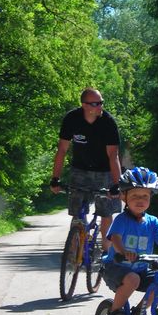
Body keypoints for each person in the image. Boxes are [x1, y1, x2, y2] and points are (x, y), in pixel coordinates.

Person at [102, 166, 158, 315]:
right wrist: (123, 252)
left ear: (150, 198)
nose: (140, 200)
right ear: (124, 197)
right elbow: (116, 239)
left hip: (140, 269)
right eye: (134, 196)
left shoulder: (152, 221)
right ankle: (115, 312)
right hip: (115, 266)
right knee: (133, 279)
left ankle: (139, 311)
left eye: (145, 196)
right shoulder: (121, 219)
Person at [50, 87, 122, 251]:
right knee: (77, 213)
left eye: (101, 102)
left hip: (104, 171)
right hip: (80, 170)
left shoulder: (108, 122)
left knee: (105, 212)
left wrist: (116, 184)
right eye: (96, 103)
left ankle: (106, 251)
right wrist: (55, 178)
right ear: (84, 105)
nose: (100, 107)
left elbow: (113, 155)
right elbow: (62, 150)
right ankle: (76, 251)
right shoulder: (71, 119)